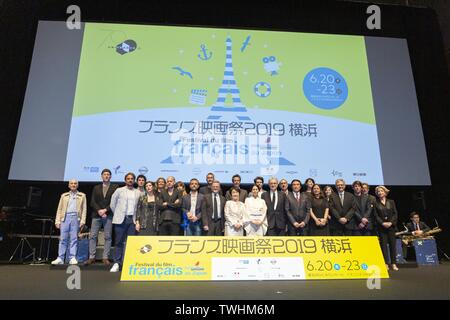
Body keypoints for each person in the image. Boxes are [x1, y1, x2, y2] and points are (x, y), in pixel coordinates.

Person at [109, 173, 141, 272]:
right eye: (128, 179)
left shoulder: (138, 192)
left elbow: (139, 207)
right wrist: (118, 214)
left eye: (132, 179)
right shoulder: (119, 190)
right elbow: (112, 204)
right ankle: (116, 263)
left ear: (134, 180)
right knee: (118, 241)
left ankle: (127, 262)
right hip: (120, 219)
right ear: (125, 180)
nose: (130, 180)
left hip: (132, 220)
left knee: (130, 243)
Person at [86, 169, 118, 266]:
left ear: (110, 176)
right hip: (96, 215)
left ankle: (105, 257)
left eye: (108, 174)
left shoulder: (115, 187)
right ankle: (92, 257)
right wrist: (99, 210)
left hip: (108, 215)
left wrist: (105, 210)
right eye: (105, 174)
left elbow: (115, 202)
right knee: (93, 236)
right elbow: (92, 201)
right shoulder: (96, 187)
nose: (106, 176)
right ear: (101, 176)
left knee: (108, 237)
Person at [52, 180, 87, 265]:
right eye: (71, 183)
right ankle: (60, 257)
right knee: (63, 239)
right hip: (65, 218)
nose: (73, 185)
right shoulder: (64, 196)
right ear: (69, 185)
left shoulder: (82, 195)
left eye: (75, 183)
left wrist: (83, 220)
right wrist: (57, 221)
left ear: (77, 185)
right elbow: (59, 209)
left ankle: (72, 257)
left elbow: (84, 209)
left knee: (74, 239)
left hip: (76, 218)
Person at [374, 185, 399, 271]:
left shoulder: (391, 202)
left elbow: (395, 213)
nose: (380, 193)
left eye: (381, 191)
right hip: (382, 227)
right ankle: (385, 263)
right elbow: (375, 215)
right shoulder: (375, 202)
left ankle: (394, 263)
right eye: (378, 192)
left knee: (393, 245)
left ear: (385, 192)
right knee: (383, 246)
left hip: (391, 227)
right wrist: (382, 223)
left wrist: (391, 222)